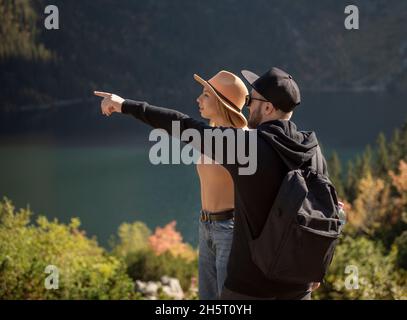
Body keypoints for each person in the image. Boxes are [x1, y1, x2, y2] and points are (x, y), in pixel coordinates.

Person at [94, 66, 325, 299]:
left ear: (267, 107)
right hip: (295, 282)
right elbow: (327, 211)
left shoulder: (246, 147)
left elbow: (181, 124)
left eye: (252, 101)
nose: (248, 105)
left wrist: (124, 105)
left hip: (251, 285)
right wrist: (315, 266)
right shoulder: (311, 150)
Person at [97, 70, 249, 300]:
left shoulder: (240, 141)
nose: (198, 99)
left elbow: (175, 121)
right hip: (206, 225)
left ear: (223, 104)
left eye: (206, 95)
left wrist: (124, 105)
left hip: (230, 231)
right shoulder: (214, 134)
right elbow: (177, 123)